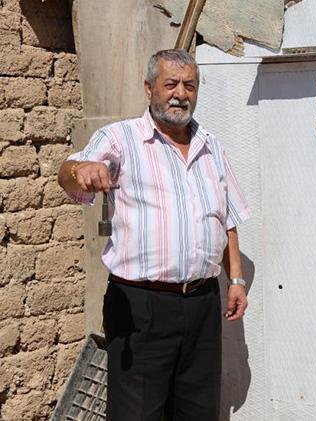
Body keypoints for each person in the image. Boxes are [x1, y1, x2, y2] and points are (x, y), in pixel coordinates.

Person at [57, 49, 250, 421]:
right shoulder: (120, 138)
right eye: (171, 84)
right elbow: (68, 173)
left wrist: (236, 279)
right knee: (137, 413)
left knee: (198, 412)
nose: (180, 94)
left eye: (189, 85)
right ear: (149, 88)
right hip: (140, 306)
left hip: (203, 302)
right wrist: (82, 169)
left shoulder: (211, 146)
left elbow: (227, 217)